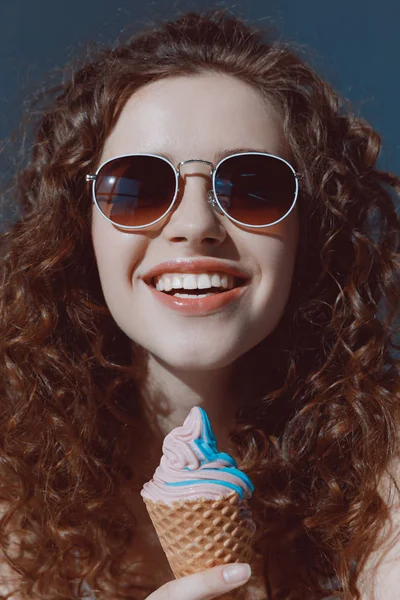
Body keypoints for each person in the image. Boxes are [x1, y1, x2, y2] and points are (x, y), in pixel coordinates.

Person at [0, 8, 399, 600]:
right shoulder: (11, 481)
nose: (194, 224)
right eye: (136, 186)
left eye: (253, 187)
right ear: (77, 229)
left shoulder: (383, 465)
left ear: (309, 232)